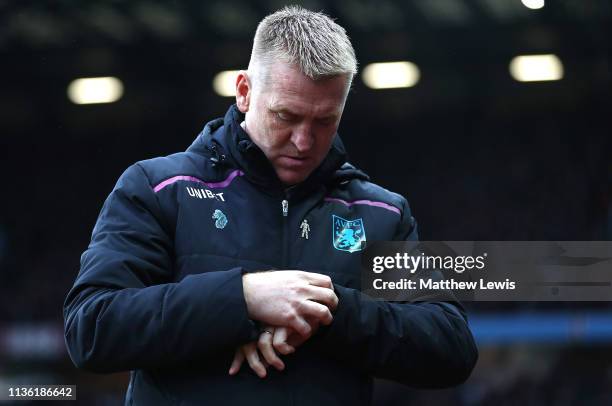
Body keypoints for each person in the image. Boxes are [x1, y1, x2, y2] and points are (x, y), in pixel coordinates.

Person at [63, 6, 478, 405]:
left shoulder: (381, 212)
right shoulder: (159, 188)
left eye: (324, 121)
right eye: (286, 116)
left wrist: (325, 310)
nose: (303, 141)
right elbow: (92, 328)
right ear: (244, 91)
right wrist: (242, 297)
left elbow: (451, 345)